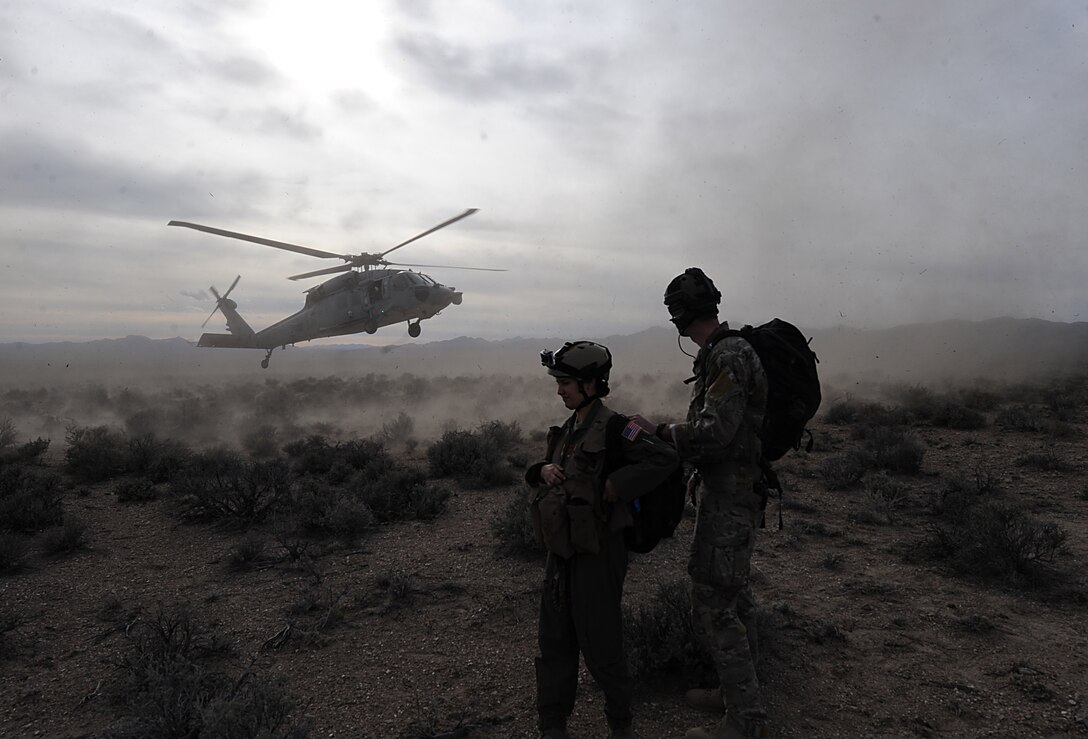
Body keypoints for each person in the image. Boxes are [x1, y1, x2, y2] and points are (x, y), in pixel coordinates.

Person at [525, 340, 679, 739]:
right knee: (555, 640)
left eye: (566, 383)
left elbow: (664, 457)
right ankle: (552, 725)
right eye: (558, 382)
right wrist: (541, 470)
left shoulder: (617, 427)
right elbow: (557, 470)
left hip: (598, 553)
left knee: (602, 642)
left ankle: (621, 724)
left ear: (592, 383)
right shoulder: (570, 428)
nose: (560, 390)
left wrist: (616, 485)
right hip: (561, 554)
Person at [659, 268, 770, 739]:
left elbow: (717, 432)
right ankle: (737, 695)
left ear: (679, 316)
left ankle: (745, 723)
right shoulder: (724, 353)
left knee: (714, 598)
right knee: (734, 594)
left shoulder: (728, 356)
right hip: (730, 488)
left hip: (731, 492)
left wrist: (663, 434)